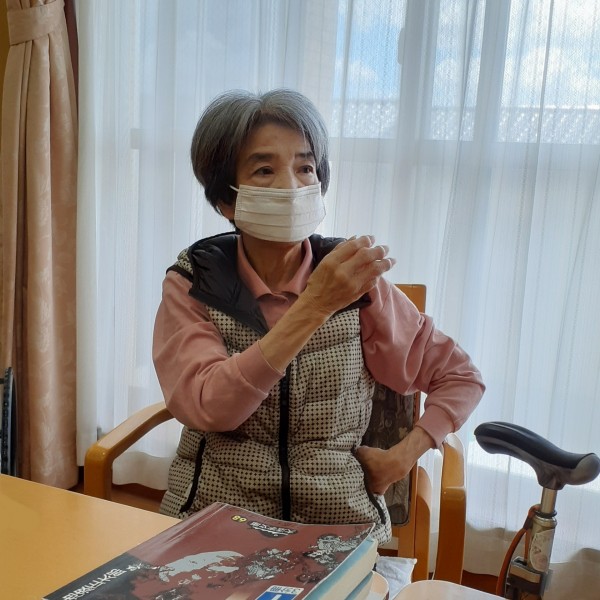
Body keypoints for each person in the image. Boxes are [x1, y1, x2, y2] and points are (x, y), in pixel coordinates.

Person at [152, 88, 484, 544]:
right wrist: (314, 305)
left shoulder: (357, 281)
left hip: (334, 527)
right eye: (264, 169)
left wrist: (402, 457)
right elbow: (210, 407)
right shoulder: (194, 281)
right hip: (216, 520)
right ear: (226, 200)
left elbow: (461, 376)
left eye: (305, 168)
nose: (292, 186)